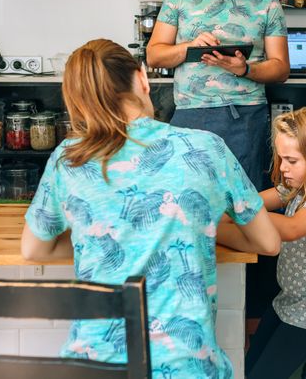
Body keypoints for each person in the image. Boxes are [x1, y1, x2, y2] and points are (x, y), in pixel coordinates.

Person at [21, 39, 280, 378]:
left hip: (94, 366)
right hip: (187, 367)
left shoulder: (69, 158)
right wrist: (195, 230)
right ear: (142, 78)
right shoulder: (205, 147)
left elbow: (34, 249)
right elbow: (268, 242)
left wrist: (106, 238)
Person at [217, 107, 306, 379]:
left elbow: (293, 228)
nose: (283, 168)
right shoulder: (298, 186)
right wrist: (222, 214)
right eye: (281, 158)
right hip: (289, 303)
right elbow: (253, 202)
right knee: (248, 369)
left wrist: (240, 214)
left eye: (291, 160)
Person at [146, 0, 290, 190]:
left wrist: (245, 69)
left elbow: (281, 69)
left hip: (245, 118)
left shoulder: (268, 3)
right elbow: (154, 55)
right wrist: (189, 46)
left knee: (245, 200)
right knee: (188, 196)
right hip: (191, 116)